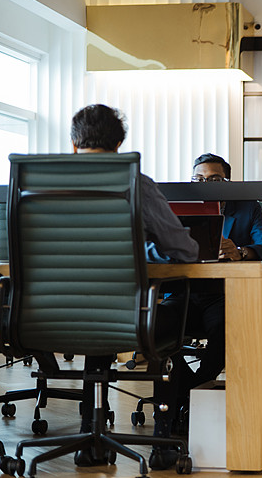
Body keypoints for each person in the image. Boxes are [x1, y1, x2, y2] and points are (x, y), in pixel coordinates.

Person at [70, 104, 199, 469]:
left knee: (97, 323)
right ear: (120, 143)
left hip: (48, 320)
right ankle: (163, 440)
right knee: (168, 314)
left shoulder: (38, 182)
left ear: (74, 145)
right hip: (125, 317)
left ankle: (89, 438)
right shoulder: (135, 182)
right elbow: (184, 249)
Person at [150, 153, 262, 442]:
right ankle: (188, 393)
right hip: (183, 292)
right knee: (157, 326)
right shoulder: (175, 207)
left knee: (228, 326)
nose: (206, 186)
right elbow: (153, 245)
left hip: (222, 294)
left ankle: (196, 391)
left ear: (227, 183)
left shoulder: (247, 208)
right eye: (198, 180)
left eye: (214, 180)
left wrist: (242, 251)